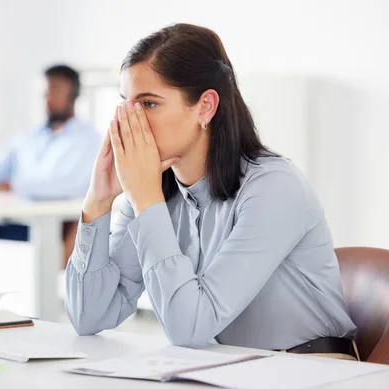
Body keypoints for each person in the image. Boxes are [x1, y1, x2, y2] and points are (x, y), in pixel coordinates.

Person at [66, 24, 359, 360]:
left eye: (148, 104)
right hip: (228, 367)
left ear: (205, 107)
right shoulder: (152, 191)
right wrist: (98, 200)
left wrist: (146, 201)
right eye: (126, 103)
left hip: (313, 370)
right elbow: (89, 317)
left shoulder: (275, 188)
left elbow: (189, 327)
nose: (130, 121)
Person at [0, 65, 101, 263]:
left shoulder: (87, 140)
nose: (48, 99)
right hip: (6, 221)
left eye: (56, 91)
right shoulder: (28, 138)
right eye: (46, 91)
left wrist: (9, 186)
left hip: (42, 230)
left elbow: (63, 185)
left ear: (74, 95)